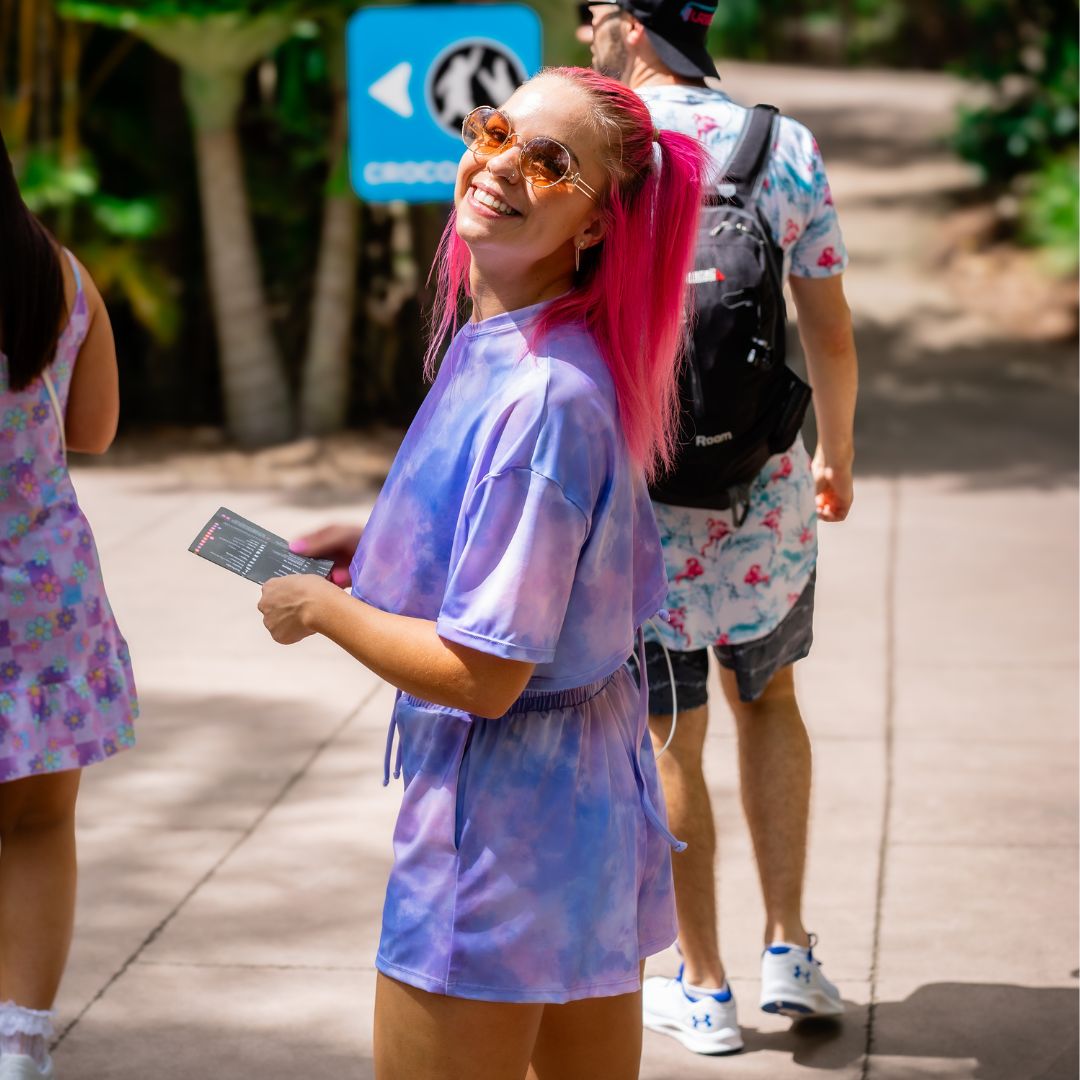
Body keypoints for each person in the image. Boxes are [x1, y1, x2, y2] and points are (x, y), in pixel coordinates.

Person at [258, 67, 711, 1080]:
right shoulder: (527, 346)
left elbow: (485, 673)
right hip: (584, 810)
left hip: (502, 832)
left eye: (550, 163)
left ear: (596, 225)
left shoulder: (543, 395)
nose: (500, 163)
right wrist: (379, 544)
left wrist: (324, 611)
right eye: (497, 130)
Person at [579, 0, 859, 1056]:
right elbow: (826, 330)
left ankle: (703, 987)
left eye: (595, 12)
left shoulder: (604, 143)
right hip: (763, 488)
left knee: (670, 729)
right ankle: (789, 946)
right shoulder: (779, 145)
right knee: (771, 696)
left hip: (642, 489)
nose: (585, 31)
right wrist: (837, 454)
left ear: (637, 31)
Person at [0, 129, 139, 1080]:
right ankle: (19, 1046)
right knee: (39, 827)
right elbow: (92, 430)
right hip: (44, 595)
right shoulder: (60, 274)